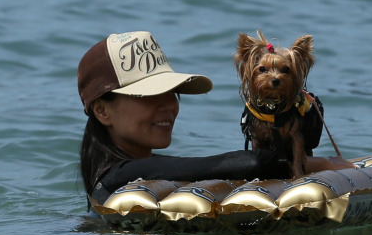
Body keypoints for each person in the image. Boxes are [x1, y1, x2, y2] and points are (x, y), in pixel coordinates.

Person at [77, 30, 354, 207]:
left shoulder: (136, 171)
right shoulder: (118, 178)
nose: (167, 106)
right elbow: (229, 164)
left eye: (173, 93)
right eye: (149, 96)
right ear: (102, 111)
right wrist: (324, 164)